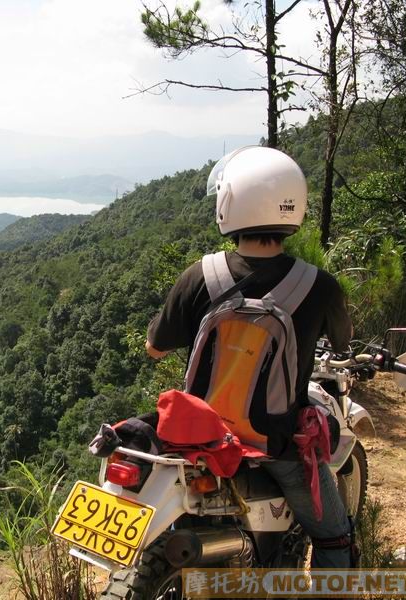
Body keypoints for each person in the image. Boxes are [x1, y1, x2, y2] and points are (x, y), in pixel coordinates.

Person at [145, 146, 355, 568]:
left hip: (197, 439)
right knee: (334, 535)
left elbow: (155, 347)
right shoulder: (320, 285)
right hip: (273, 446)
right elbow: (344, 346)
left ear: (228, 204)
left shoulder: (200, 275)